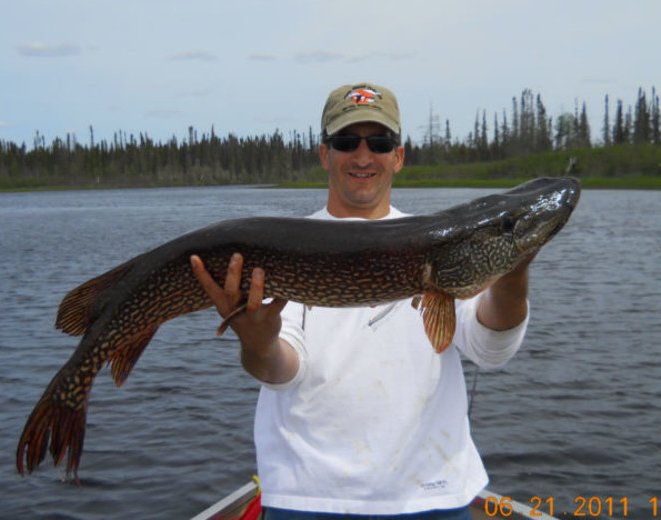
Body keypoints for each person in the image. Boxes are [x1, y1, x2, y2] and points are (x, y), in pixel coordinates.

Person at [190, 83, 531, 519]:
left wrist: (513, 270)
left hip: (431, 495)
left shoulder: (448, 244)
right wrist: (258, 343)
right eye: (347, 142)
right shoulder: (287, 247)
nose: (364, 156)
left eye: (380, 142)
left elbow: (491, 349)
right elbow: (281, 370)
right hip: (307, 497)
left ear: (399, 156)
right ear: (324, 154)